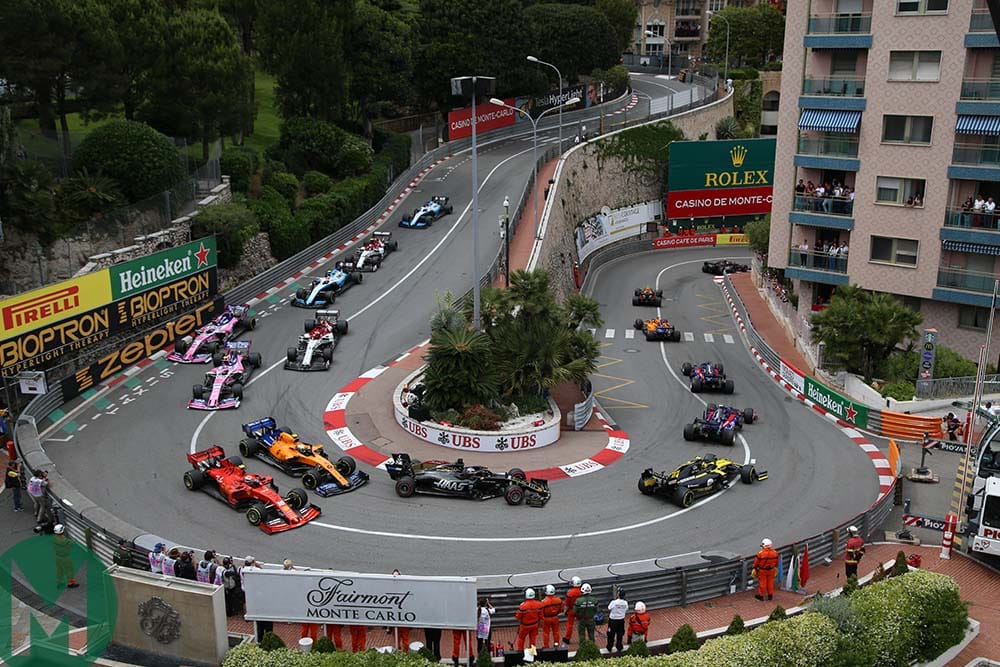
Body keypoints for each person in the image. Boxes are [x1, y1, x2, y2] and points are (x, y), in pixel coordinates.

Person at [52, 524, 79, 589]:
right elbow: (72, 544)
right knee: (69, 570)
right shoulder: (65, 540)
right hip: (65, 557)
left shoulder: (54, 538)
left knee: (59, 570)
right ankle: (71, 583)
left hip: (57, 557)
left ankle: (60, 582)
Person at [539, 585, 562, 649]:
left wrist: (542, 619)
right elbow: (561, 609)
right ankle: (556, 644)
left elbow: (541, 612)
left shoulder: (543, 602)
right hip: (555, 617)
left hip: (546, 618)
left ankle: (546, 646)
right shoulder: (558, 600)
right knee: (556, 632)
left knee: (546, 633)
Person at [606, 588, 628, 654]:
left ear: (618, 594)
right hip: (621, 620)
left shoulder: (614, 602)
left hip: (613, 620)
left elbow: (609, 608)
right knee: (620, 634)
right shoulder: (625, 603)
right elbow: (626, 609)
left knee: (611, 634)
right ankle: (619, 646)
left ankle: (609, 647)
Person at [562, 576, 583, 645]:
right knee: (581, 624)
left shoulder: (570, 593)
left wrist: (566, 611)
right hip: (580, 610)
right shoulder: (582, 591)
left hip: (571, 610)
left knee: (569, 624)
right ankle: (582, 638)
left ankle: (567, 638)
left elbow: (567, 603)